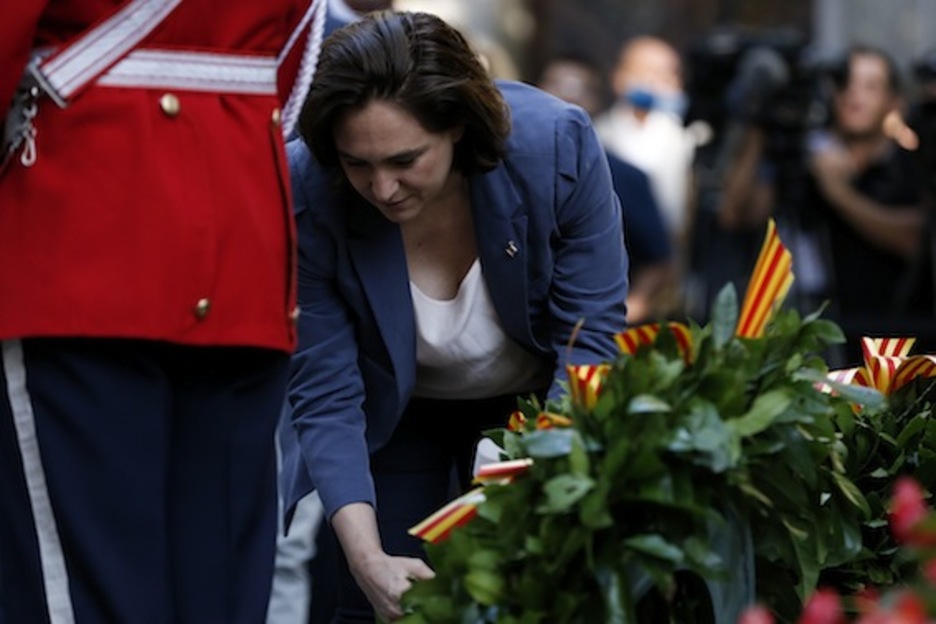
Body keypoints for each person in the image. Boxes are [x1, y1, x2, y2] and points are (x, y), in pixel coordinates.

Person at [280, 10, 629, 622]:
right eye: (359, 164)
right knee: (378, 598)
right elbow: (325, 391)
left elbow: (590, 343)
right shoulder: (311, 185)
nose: (382, 188)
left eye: (405, 160)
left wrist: (550, 482)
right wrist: (368, 562)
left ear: (459, 129)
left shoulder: (555, 148)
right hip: (392, 414)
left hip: (534, 405)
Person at [0, 2, 326, 623]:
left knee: (84, 595)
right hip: (242, 245)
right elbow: (294, 51)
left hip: (84, 237)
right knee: (218, 592)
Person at [803, 44, 934, 364]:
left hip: (899, 352)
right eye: (845, 82)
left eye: (870, 86)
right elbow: (736, 214)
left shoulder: (912, 164)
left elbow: (915, 238)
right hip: (827, 347)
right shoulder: (812, 164)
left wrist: (838, 194)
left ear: (894, 102)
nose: (854, 95)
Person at [537, 53, 675, 324]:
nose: (566, 99)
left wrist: (629, 309)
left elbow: (658, 260)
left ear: (597, 103)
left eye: (579, 91)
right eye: (556, 87)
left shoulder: (626, 178)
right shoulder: (506, 170)